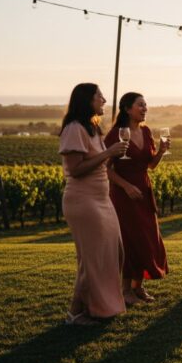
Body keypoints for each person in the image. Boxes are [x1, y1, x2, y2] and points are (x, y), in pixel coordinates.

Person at [58, 83, 128, 325]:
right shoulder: (74, 128)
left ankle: (99, 306)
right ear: (86, 100)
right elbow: (75, 170)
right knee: (92, 259)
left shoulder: (93, 128)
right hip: (83, 201)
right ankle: (77, 313)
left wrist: (110, 155)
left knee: (114, 252)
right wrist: (108, 154)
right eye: (99, 96)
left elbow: (98, 163)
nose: (105, 100)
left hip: (101, 199)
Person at [105, 92, 169, 305]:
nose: (145, 108)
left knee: (146, 240)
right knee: (129, 240)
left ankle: (138, 287)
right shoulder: (115, 134)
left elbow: (150, 165)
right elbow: (105, 169)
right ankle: (125, 291)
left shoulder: (146, 131)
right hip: (123, 194)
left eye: (146, 105)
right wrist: (126, 186)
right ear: (127, 108)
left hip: (143, 190)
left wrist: (160, 152)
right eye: (140, 105)